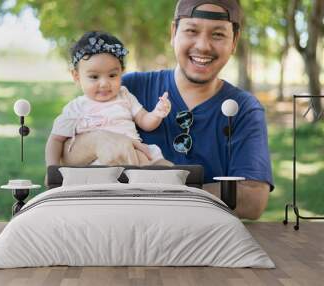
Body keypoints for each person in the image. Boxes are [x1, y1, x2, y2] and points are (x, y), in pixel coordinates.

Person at [46, 0, 274, 220]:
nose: (203, 45)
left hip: (202, 239)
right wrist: (96, 142)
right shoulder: (126, 88)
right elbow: (64, 160)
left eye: (218, 34)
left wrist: (163, 187)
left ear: (234, 41)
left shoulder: (245, 109)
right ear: (173, 33)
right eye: (192, 31)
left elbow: (252, 200)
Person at [46, 31, 172, 167]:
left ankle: (181, 183)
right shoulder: (76, 108)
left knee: (166, 165)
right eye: (94, 77)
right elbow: (56, 140)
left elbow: (144, 121)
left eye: (112, 75)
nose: (104, 83)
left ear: (121, 72)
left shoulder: (124, 95)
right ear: (76, 76)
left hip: (135, 150)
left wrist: (157, 113)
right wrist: (51, 170)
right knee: (149, 165)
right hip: (101, 160)